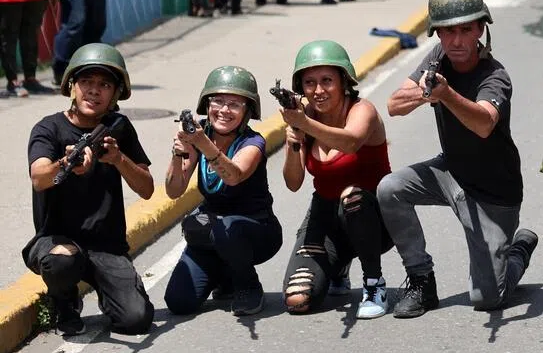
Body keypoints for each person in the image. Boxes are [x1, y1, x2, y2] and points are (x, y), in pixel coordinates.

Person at [381, 0, 538, 318]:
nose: (455, 41)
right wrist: (427, 91)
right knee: (390, 189)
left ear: (480, 29)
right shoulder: (439, 57)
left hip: (494, 194)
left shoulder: (495, 76)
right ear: (437, 34)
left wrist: (446, 95)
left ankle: (518, 250)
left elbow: (483, 123)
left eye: (465, 30)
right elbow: (394, 105)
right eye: (446, 31)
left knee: (486, 298)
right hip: (451, 171)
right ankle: (421, 280)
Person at [24, 43, 154, 336]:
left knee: (136, 319)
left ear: (115, 94)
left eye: (104, 85)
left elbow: (146, 188)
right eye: (86, 82)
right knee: (61, 262)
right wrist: (65, 162)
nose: (94, 91)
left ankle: (110, 294)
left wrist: (119, 160)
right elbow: (39, 177)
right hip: (56, 240)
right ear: (72, 86)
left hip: (106, 245)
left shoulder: (118, 127)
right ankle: (63, 300)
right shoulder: (48, 129)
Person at [280, 41, 395, 319]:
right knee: (298, 299)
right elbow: (293, 183)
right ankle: (338, 264)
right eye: (309, 83)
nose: (318, 91)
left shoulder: (362, 110)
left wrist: (305, 124)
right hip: (326, 215)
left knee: (352, 196)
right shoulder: (304, 119)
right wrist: (294, 143)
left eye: (327, 80)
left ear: (344, 81)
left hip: (373, 216)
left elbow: (352, 142)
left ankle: (373, 284)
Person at [164, 66, 282, 317]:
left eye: (234, 104)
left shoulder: (253, 142)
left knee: (226, 229)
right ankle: (225, 274)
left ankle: (249, 286)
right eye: (218, 101)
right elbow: (174, 190)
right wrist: (177, 153)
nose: (224, 110)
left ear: (247, 112)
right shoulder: (198, 135)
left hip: (255, 231)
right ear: (206, 105)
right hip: (213, 231)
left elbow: (234, 176)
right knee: (179, 301)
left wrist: (201, 143)